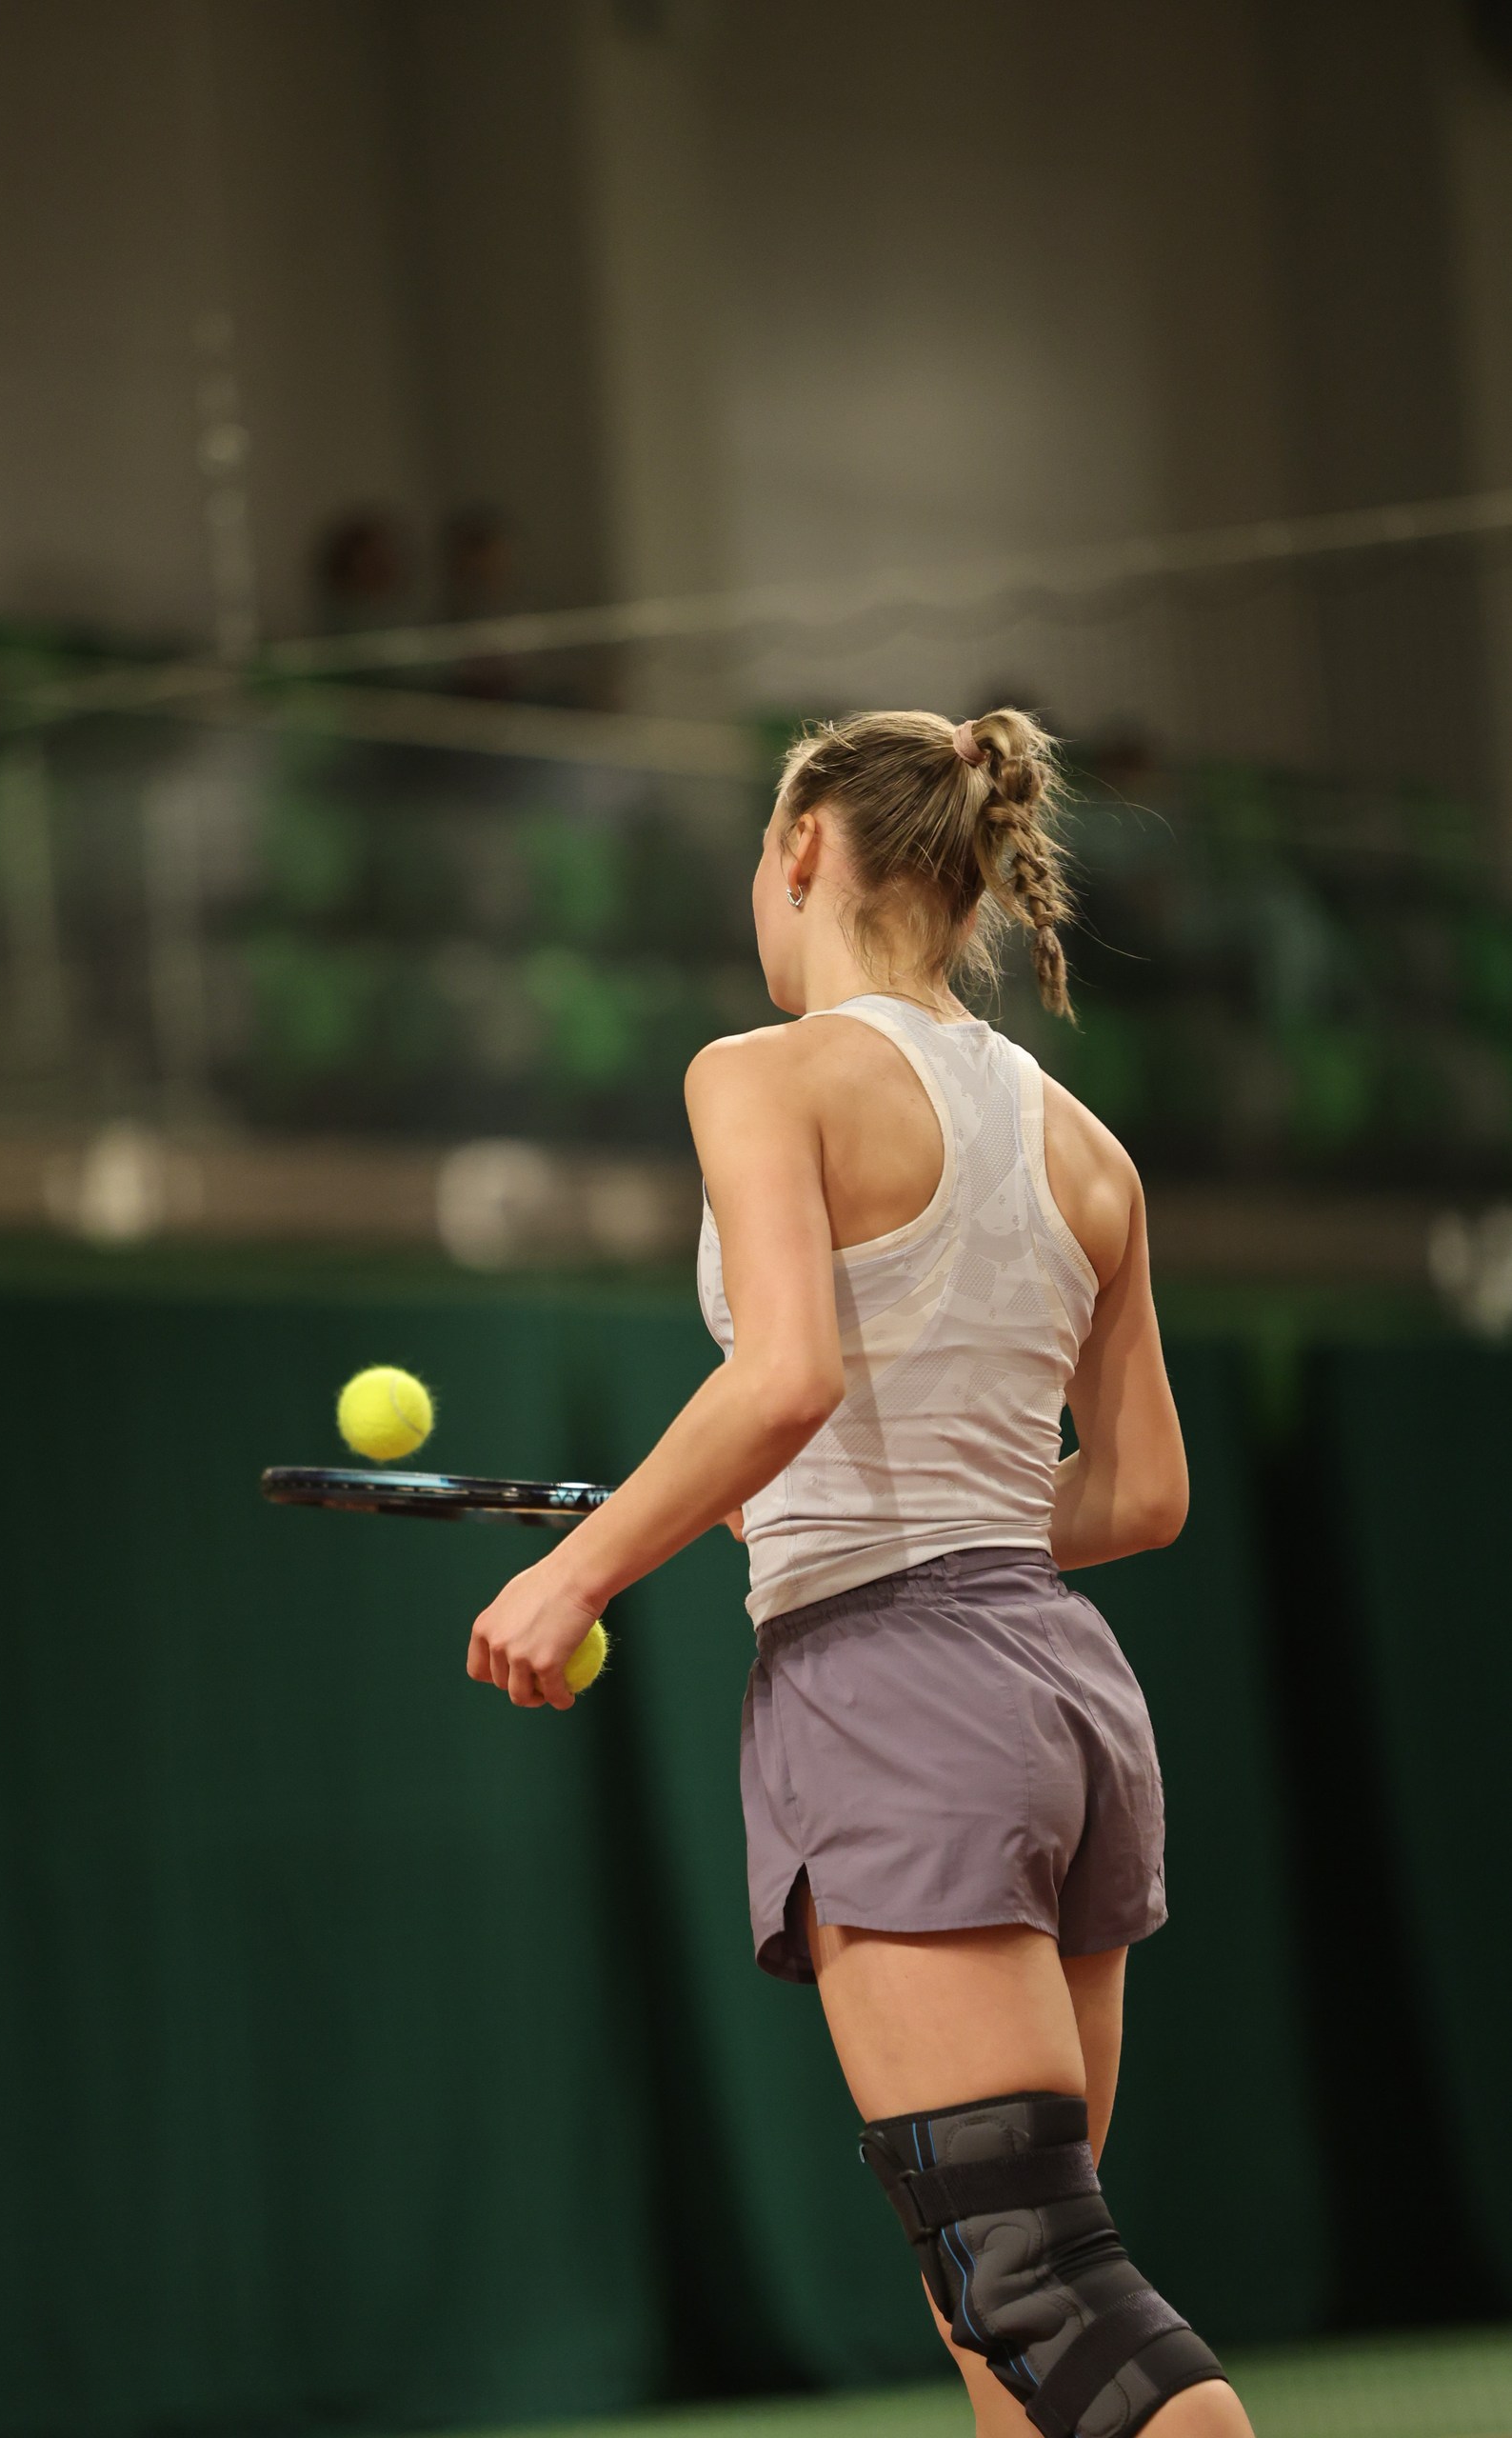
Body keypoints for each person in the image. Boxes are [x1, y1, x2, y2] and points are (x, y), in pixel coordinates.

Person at [466, 709, 1255, 2438]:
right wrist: (835, 1512)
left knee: (1035, 2285)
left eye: (763, 849)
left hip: (904, 1696)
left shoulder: (760, 1073)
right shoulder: (1089, 1145)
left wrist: (581, 1571)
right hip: (1066, 1696)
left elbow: (785, 1379)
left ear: (805, 847)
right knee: (1004, 2320)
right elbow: (1139, 1493)